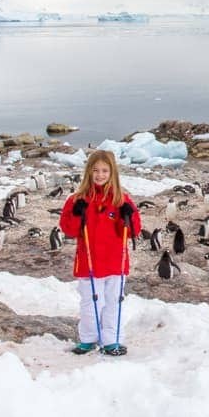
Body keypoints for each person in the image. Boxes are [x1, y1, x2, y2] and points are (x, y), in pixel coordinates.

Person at [59, 150, 141, 356]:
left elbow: (134, 231)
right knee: (90, 302)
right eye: (95, 170)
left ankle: (111, 340)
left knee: (113, 302)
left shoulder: (122, 200)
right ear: (88, 172)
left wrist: (127, 217)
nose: (100, 175)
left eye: (105, 170)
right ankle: (88, 338)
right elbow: (69, 229)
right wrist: (77, 214)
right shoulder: (78, 200)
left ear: (112, 172)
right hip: (89, 262)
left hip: (115, 262)